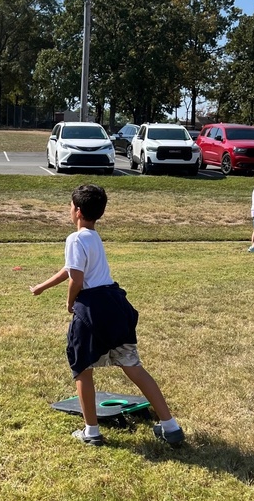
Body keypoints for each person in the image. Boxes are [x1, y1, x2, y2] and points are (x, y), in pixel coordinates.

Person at [30, 183, 184, 448]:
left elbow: (76, 278)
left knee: (81, 368)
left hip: (92, 310)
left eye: (70, 206)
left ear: (77, 211)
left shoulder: (74, 238)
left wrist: (70, 303)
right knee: (133, 367)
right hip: (115, 305)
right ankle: (171, 427)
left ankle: (91, 432)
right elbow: (70, 268)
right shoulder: (92, 236)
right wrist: (42, 287)